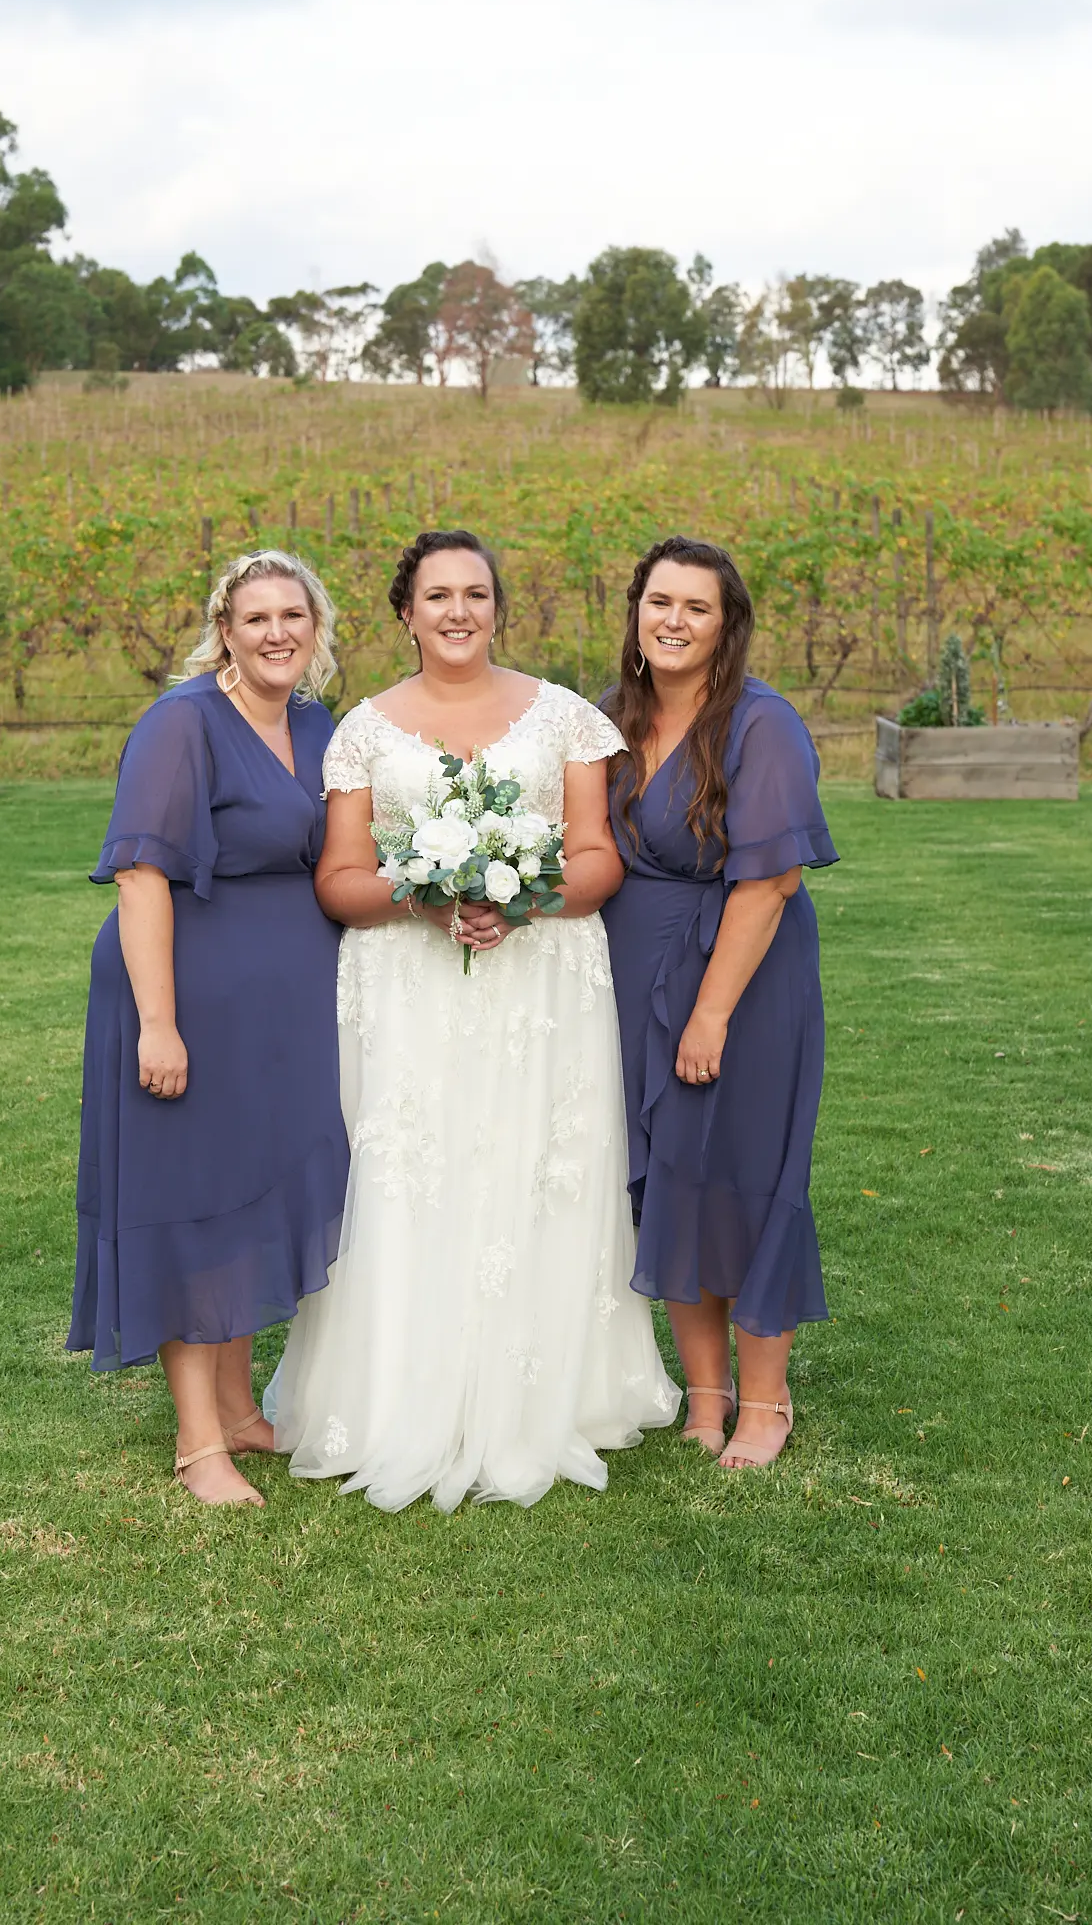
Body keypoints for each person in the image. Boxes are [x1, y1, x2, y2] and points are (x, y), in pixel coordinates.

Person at [266, 529, 679, 1511]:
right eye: (438, 595)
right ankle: (398, 1392)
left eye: (476, 594)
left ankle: (553, 1389)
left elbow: (597, 856)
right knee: (415, 1173)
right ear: (405, 614)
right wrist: (423, 894)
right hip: (409, 988)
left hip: (541, 984)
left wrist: (519, 898)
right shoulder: (363, 730)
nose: (458, 611)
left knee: (538, 1165)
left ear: (497, 609)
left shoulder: (566, 716)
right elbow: (339, 879)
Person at [68, 551, 349, 1506]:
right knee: (192, 1200)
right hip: (187, 993)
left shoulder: (315, 724)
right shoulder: (180, 723)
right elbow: (142, 874)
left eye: (292, 616)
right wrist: (158, 1023)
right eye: (255, 617)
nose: (277, 633)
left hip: (281, 1007)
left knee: (249, 1197)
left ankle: (235, 1409)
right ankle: (197, 1445)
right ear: (223, 630)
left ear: (316, 627)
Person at [600, 536, 838, 1470]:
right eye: (659, 602)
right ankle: (706, 1395)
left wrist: (710, 1013)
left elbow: (769, 882)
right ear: (636, 611)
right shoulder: (610, 716)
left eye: (695, 607)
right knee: (669, 1176)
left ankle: (765, 1401)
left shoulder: (759, 724)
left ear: (725, 624)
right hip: (634, 974)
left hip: (741, 979)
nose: (673, 621)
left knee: (742, 1174)